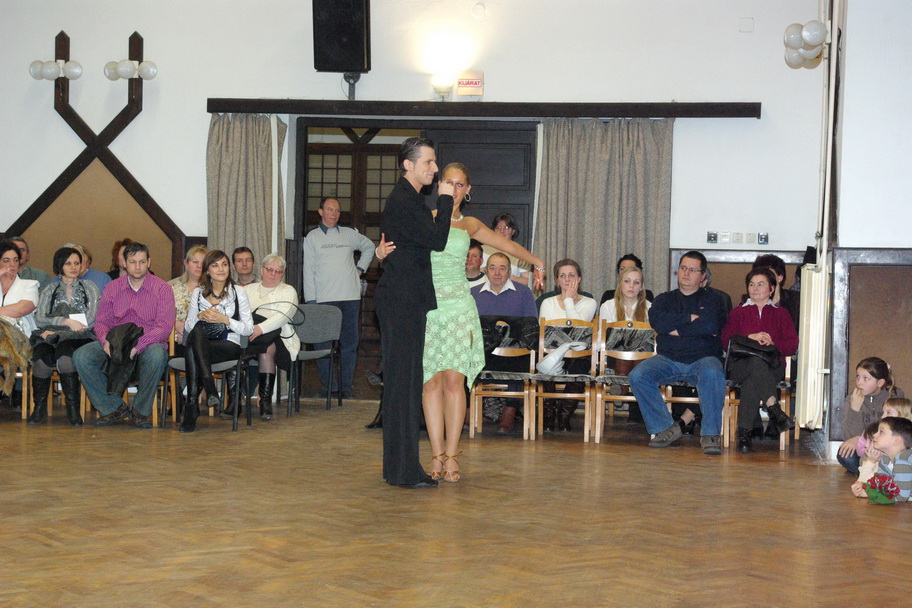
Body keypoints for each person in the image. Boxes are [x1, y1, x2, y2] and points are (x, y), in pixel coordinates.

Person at [382, 162, 544, 481]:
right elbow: (395, 247)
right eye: (449, 183)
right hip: (428, 307)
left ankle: (453, 455)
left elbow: (507, 246)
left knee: (455, 383)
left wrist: (537, 261)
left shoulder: (470, 224)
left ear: (467, 190)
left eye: (460, 185)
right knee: (431, 383)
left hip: (458, 308)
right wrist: (379, 253)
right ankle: (436, 455)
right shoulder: (425, 218)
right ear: (439, 185)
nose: (454, 190)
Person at [373, 137, 454, 489]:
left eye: (434, 162)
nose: (434, 169)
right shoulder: (404, 199)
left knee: (404, 386)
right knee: (403, 387)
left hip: (405, 299)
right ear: (408, 164)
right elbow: (437, 240)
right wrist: (447, 199)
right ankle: (402, 471)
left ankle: (401, 468)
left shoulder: (409, 199)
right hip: (402, 301)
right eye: (428, 163)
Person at [628, 251, 728, 455]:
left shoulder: (715, 299)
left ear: (702, 276)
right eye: (683, 268)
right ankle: (664, 428)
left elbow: (710, 325)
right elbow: (658, 322)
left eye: (693, 270)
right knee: (638, 375)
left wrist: (676, 329)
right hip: (668, 359)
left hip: (704, 359)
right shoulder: (664, 299)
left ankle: (710, 434)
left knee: (713, 372)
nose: (686, 273)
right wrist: (690, 319)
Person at [73, 242, 173, 429]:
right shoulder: (112, 288)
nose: (138, 267)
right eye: (133, 262)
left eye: (142, 262)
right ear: (124, 263)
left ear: (149, 262)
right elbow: (101, 322)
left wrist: (138, 345)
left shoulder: (162, 289)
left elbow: (165, 327)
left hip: (148, 341)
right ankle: (113, 407)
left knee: (157, 355)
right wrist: (105, 340)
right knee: (82, 356)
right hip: (116, 339)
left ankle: (140, 411)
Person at [302, 196, 375, 399]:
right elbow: (308, 270)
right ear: (320, 212)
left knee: (349, 344)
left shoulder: (350, 234)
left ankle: (345, 388)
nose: (334, 213)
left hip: (350, 297)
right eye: (329, 209)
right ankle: (329, 387)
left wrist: (360, 269)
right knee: (322, 345)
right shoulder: (312, 237)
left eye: (337, 210)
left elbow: (369, 247)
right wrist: (311, 300)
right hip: (323, 299)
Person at [720, 267, 799, 453]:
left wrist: (772, 343)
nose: (754, 288)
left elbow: (792, 345)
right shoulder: (738, 312)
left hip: (772, 366)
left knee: (753, 379)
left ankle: (745, 434)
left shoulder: (781, 314)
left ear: (771, 289)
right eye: (751, 284)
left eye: (760, 284)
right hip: (740, 366)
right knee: (755, 364)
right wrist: (750, 337)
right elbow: (725, 342)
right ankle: (774, 409)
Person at [179, 250, 254, 433]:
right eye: (215, 265)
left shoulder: (238, 292)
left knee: (192, 349)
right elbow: (188, 326)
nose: (221, 269)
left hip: (230, 344)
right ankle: (208, 387)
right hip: (204, 345)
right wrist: (200, 315)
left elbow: (248, 329)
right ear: (207, 271)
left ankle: (192, 405)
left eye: (224, 264)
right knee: (196, 333)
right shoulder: (198, 293)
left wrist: (226, 320)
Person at [27, 247, 100, 426]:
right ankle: (39, 407)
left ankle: (73, 409)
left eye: (76, 263)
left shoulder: (89, 287)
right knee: (40, 358)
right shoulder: (50, 289)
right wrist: (65, 321)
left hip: (79, 337)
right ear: (59, 266)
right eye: (68, 263)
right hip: (50, 336)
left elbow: (90, 320)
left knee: (66, 357)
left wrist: (59, 331)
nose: (73, 267)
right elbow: (40, 318)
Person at [470, 251, 539, 434]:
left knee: (521, 359)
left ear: (509, 272)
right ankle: (468, 408)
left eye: (502, 268)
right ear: (485, 270)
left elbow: (531, 328)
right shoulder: (473, 294)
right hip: (484, 354)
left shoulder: (524, 293)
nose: (497, 272)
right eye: (492, 268)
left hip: (514, 355)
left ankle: (510, 410)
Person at [538, 259, 596, 432]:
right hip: (551, 353)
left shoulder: (589, 302)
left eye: (572, 275)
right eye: (562, 276)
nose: (567, 279)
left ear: (579, 279)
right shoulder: (547, 302)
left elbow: (578, 327)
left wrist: (568, 300)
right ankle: (548, 415)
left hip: (577, 355)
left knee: (582, 364)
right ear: (557, 280)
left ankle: (564, 415)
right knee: (544, 362)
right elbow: (545, 335)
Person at [243, 253, 300, 421]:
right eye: (269, 270)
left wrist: (260, 328)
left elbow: (283, 316)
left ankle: (265, 401)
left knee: (268, 346)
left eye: (278, 271)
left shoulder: (288, 290)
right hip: (248, 335)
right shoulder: (248, 290)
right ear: (262, 270)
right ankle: (235, 399)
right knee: (232, 347)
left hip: (279, 337)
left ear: (283, 274)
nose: (273, 274)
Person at [837, 357, 902, 475]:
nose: (859, 382)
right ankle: (876, 473)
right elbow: (849, 437)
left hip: (888, 448)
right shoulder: (852, 398)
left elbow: (899, 430)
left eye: (865, 378)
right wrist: (855, 410)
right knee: (845, 455)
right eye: (858, 377)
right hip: (865, 449)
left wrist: (863, 437)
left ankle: (875, 473)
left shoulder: (894, 396)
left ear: (880, 383)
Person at [851, 416, 912, 502]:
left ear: (897, 441)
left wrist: (870, 494)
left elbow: (901, 497)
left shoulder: (904, 460)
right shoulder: (885, 459)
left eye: (881, 432)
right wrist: (864, 487)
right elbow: (879, 484)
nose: (875, 435)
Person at [854, 398, 912, 485]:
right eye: (883, 412)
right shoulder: (885, 458)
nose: (882, 417)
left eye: (888, 413)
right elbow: (877, 483)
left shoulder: (904, 459)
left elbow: (902, 492)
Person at [168, 245, 207, 351]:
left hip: (202, 341)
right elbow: (160, 316)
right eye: (195, 262)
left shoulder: (211, 290)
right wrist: (175, 325)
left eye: (203, 263)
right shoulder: (170, 288)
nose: (199, 266)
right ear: (186, 263)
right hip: (173, 340)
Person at [0, 240, 39, 339]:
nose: (12, 264)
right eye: (6, 261)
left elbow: (20, 310)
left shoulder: (31, 285)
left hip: (21, 339)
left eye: (16, 260)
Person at [482, 213, 531, 286]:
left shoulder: (520, 252)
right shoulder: (482, 250)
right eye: (498, 228)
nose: (502, 231)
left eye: (506, 228)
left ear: (513, 231)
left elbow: (528, 281)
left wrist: (507, 276)